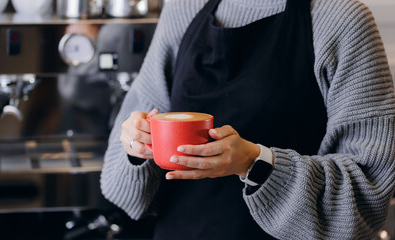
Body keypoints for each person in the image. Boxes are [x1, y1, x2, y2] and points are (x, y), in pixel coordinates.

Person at [100, 0, 395, 239]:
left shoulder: (341, 19)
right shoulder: (183, 8)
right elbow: (123, 184)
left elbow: (368, 191)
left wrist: (255, 162)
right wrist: (136, 146)